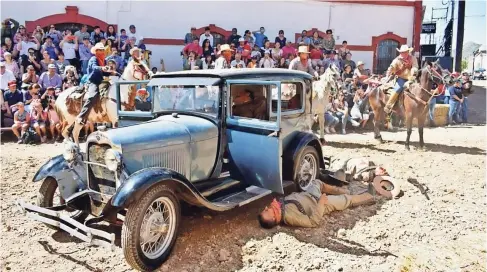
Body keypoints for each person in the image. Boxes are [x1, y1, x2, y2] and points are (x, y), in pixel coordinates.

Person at [258, 179, 375, 228]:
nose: (267, 208)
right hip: (319, 204)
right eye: (266, 211)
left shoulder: (279, 206)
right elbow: (312, 222)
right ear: (273, 218)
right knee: (345, 200)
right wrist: (321, 203)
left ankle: (345, 189)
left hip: (310, 195)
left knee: (317, 182)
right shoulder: (289, 217)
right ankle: (369, 196)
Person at [76, 43, 116, 126]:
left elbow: (104, 73)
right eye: (100, 50)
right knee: (92, 96)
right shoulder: (93, 59)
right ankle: (81, 116)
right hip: (93, 81)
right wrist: (102, 68)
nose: (102, 52)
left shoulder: (104, 61)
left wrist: (111, 73)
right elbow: (94, 67)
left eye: (102, 50)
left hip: (102, 81)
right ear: (96, 51)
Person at [384, 45, 419, 114]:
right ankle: (388, 105)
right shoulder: (396, 60)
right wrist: (387, 75)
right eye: (402, 52)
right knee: (397, 89)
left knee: (419, 88)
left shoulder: (413, 58)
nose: (403, 53)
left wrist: (414, 70)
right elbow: (391, 68)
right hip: (401, 78)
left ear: (408, 52)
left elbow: (415, 66)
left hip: (412, 78)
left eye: (405, 52)